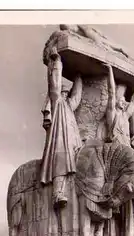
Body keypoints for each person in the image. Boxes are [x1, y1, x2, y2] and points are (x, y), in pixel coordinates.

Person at [39, 47, 83, 208]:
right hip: (59, 140)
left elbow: (77, 96)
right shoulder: (56, 102)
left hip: (73, 140)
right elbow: (54, 84)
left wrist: (79, 75)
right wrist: (56, 62)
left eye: (66, 92)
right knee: (60, 161)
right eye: (64, 92)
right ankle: (57, 193)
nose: (65, 94)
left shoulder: (69, 105)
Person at [103, 64, 134, 146]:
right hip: (114, 148)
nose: (124, 103)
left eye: (124, 102)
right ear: (116, 102)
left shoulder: (125, 116)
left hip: (126, 147)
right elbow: (111, 92)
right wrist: (110, 70)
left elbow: (133, 102)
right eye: (121, 101)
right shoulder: (112, 114)